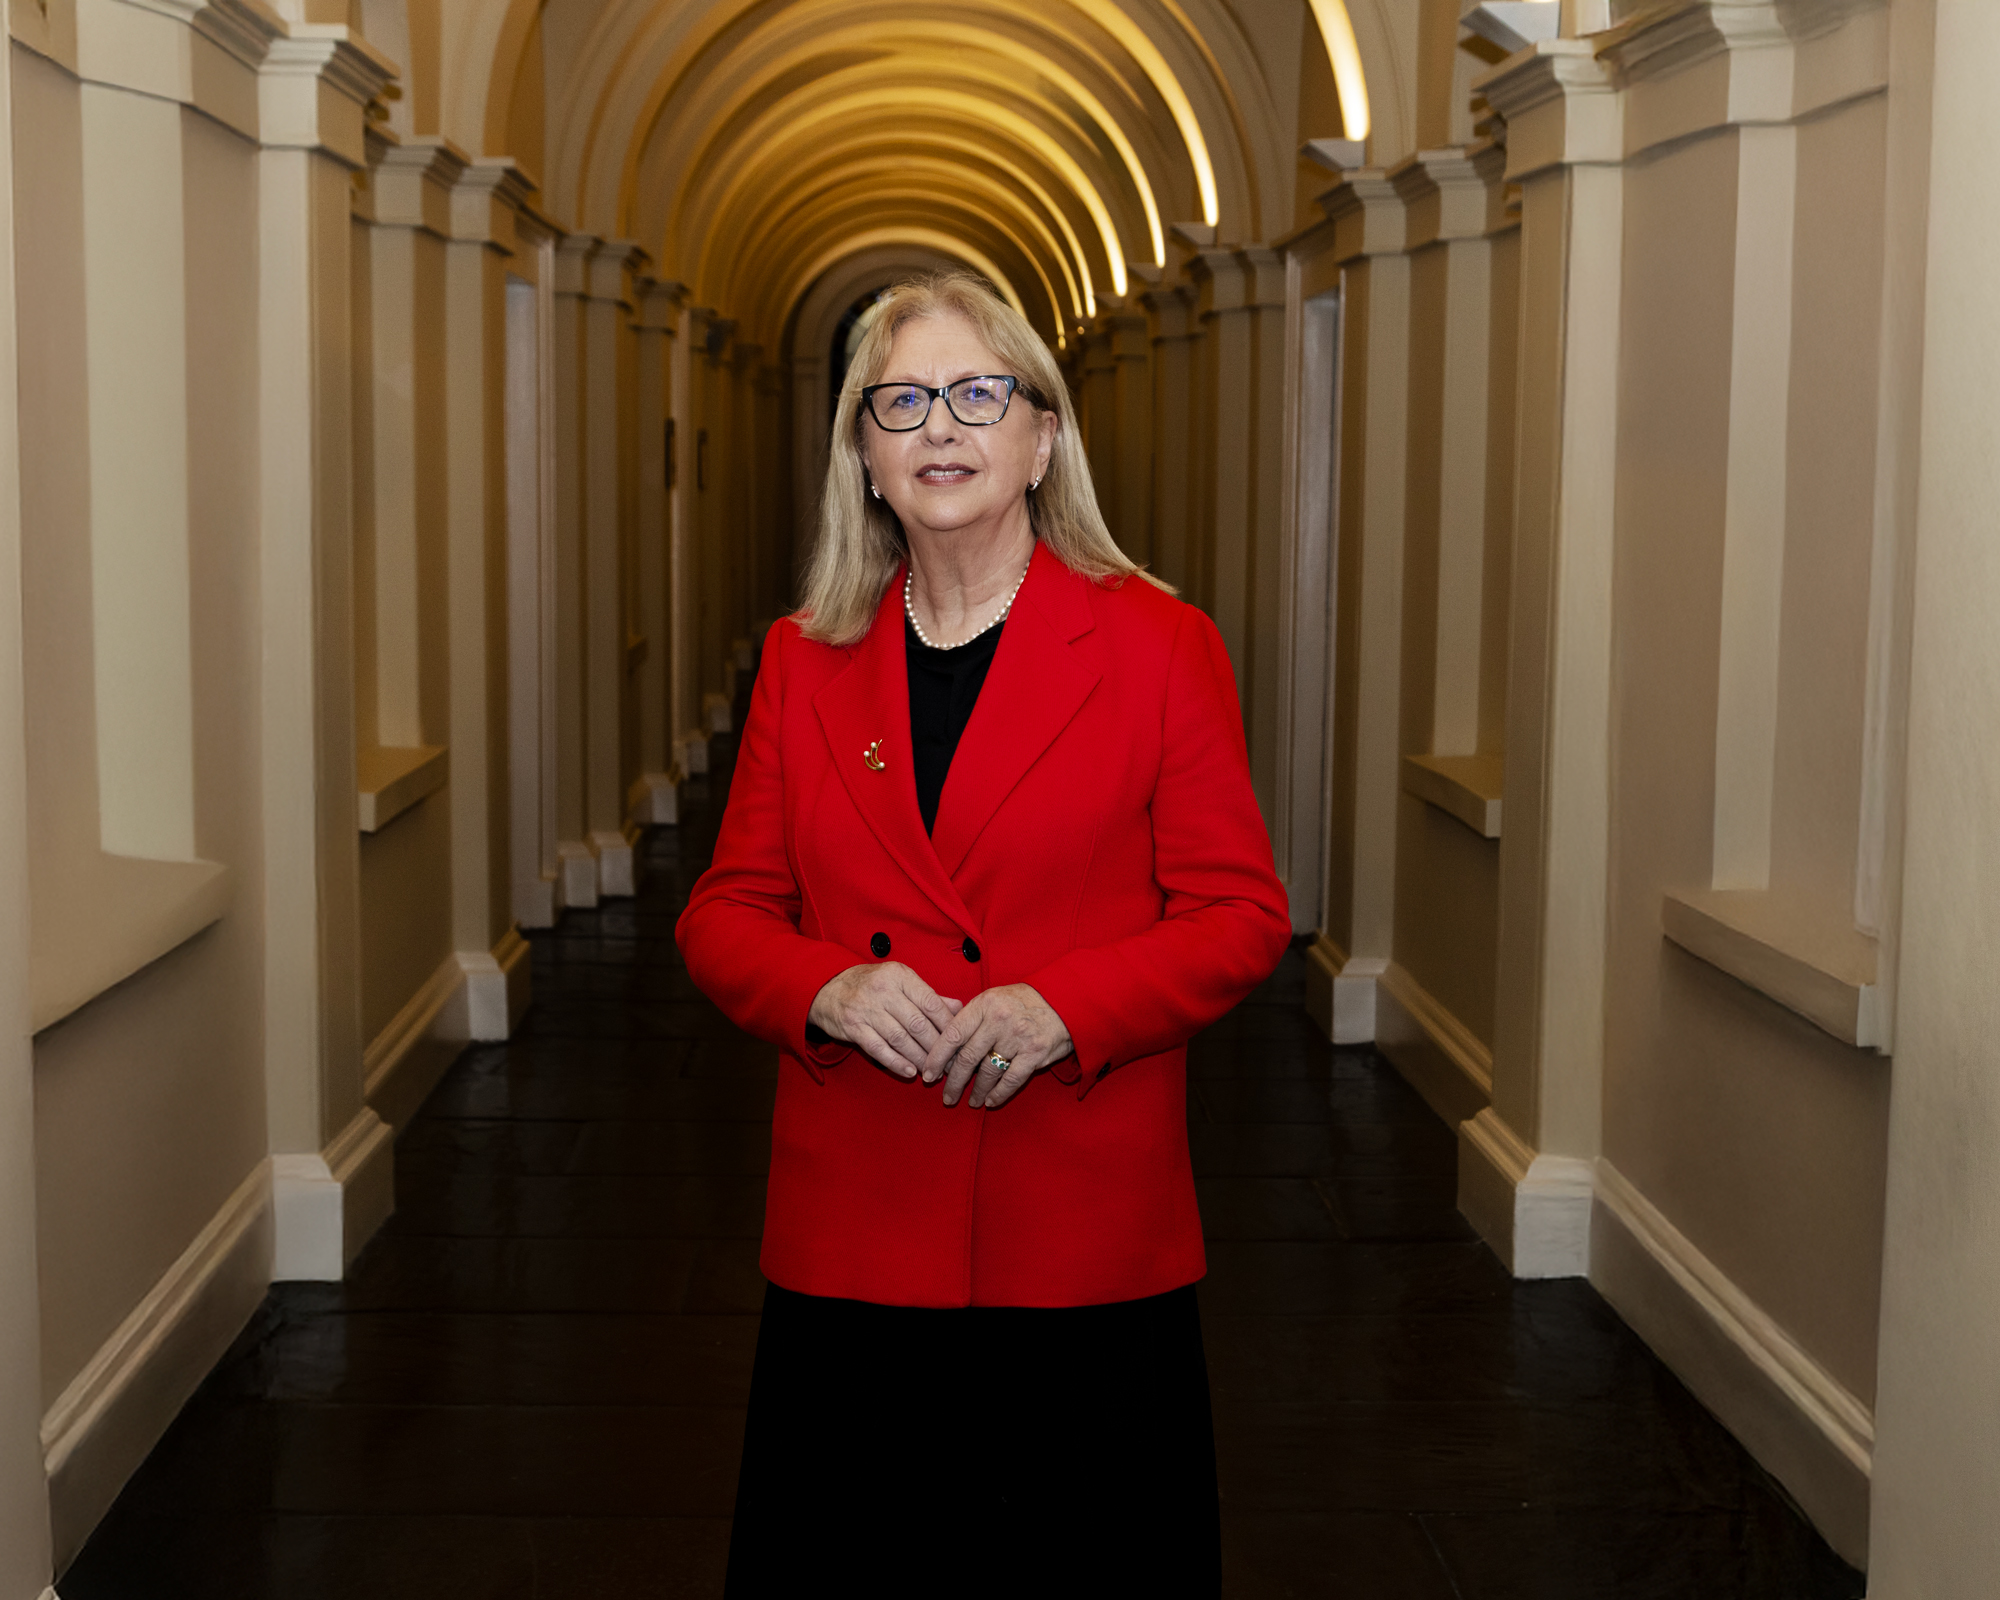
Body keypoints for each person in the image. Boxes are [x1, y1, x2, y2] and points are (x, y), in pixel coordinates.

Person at [675, 272, 1291, 1595]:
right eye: (900, 402)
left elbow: (1241, 916)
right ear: (865, 457)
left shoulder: (1160, 647)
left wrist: (1066, 1009)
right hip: (859, 1226)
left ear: (1040, 436)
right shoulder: (804, 657)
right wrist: (829, 989)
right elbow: (725, 913)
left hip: (1080, 1222)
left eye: (977, 394)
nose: (940, 428)